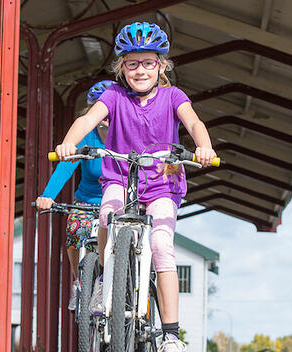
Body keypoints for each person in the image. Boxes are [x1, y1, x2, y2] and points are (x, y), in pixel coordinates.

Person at [54, 21, 217, 352]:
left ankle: (171, 333)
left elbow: (194, 122)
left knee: (160, 245)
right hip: (119, 178)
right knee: (105, 218)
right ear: (121, 67)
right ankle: (102, 281)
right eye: (132, 63)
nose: (140, 70)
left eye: (148, 62)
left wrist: (205, 147)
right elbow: (87, 120)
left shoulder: (173, 96)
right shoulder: (113, 96)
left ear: (161, 65)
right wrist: (68, 143)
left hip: (162, 185)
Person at [34, 80, 116, 311]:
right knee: (74, 231)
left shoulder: (125, 136)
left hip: (117, 202)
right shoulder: (86, 136)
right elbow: (66, 167)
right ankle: (79, 282)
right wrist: (48, 195)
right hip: (88, 202)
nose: (106, 117)